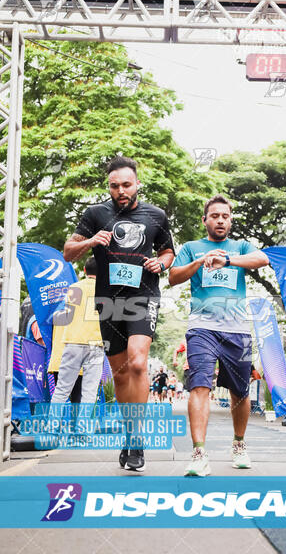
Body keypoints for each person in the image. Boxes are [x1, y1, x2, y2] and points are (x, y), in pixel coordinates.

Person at [63, 156, 175, 471]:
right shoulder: (95, 214)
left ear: (137, 183)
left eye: (126, 184)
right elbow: (67, 251)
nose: (121, 190)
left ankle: (137, 439)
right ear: (109, 187)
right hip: (109, 299)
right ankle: (128, 434)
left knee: (138, 362)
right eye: (114, 186)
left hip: (143, 294)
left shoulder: (156, 215)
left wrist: (162, 263)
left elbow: (167, 251)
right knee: (121, 373)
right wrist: (90, 240)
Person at [169, 194, 269, 476]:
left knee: (240, 390)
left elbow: (262, 259)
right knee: (199, 385)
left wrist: (228, 262)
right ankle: (199, 453)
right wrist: (201, 261)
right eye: (215, 216)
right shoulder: (192, 247)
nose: (220, 220)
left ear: (231, 220)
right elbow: (173, 277)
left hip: (237, 329)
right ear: (205, 220)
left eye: (225, 216)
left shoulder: (239, 247)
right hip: (201, 328)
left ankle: (239, 443)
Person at [50, 257, 104, 408]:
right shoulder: (105, 290)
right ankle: (82, 430)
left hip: (72, 341)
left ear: (85, 270)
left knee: (61, 389)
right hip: (96, 343)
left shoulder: (74, 288)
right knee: (89, 392)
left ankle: (52, 428)